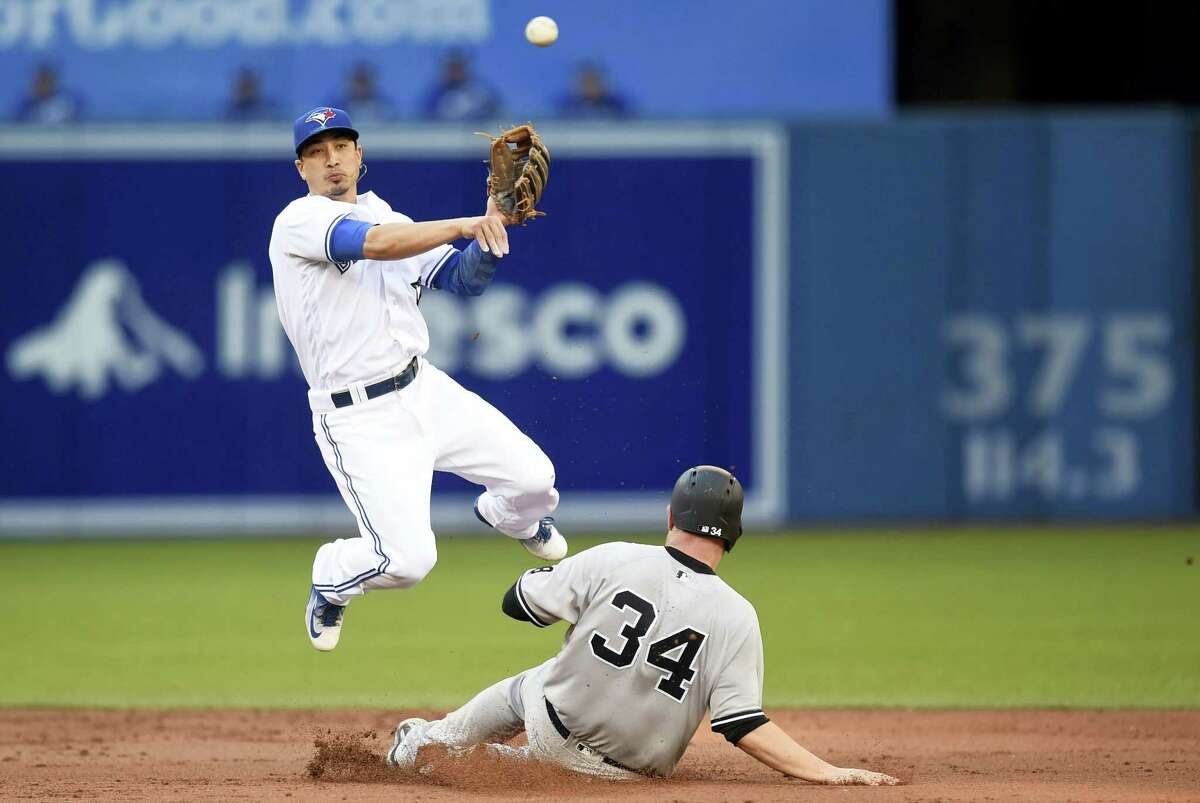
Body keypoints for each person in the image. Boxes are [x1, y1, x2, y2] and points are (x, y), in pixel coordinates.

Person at [386, 466, 898, 786]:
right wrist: (828, 771)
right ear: (734, 534)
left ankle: (429, 744)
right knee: (560, 769)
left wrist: (546, 571)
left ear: (671, 515)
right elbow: (742, 725)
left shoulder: (616, 559)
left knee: (532, 683)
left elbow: (516, 604)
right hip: (627, 776)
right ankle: (478, 763)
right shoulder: (738, 615)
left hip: (552, 724)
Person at [269, 107, 567, 652]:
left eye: (341, 147)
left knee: (534, 481)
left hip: (423, 387)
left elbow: (461, 279)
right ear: (301, 169)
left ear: (360, 155)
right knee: (406, 562)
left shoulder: (388, 214)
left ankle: (510, 519)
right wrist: (463, 223)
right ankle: (332, 574)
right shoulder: (299, 222)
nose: (331, 160)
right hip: (358, 416)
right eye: (316, 152)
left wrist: (492, 227)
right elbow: (375, 244)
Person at [422, 51, 501, 121]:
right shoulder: (437, 92)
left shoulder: (478, 90)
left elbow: (493, 110)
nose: (455, 73)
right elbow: (427, 114)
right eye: (452, 69)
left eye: (458, 68)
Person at [556, 63, 629, 120]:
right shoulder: (568, 107)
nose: (590, 86)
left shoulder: (617, 106)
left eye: (594, 82)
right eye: (586, 82)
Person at [15, 63, 83, 124]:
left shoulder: (68, 104)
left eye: (45, 82)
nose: (42, 86)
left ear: (53, 82)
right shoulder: (26, 106)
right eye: (39, 82)